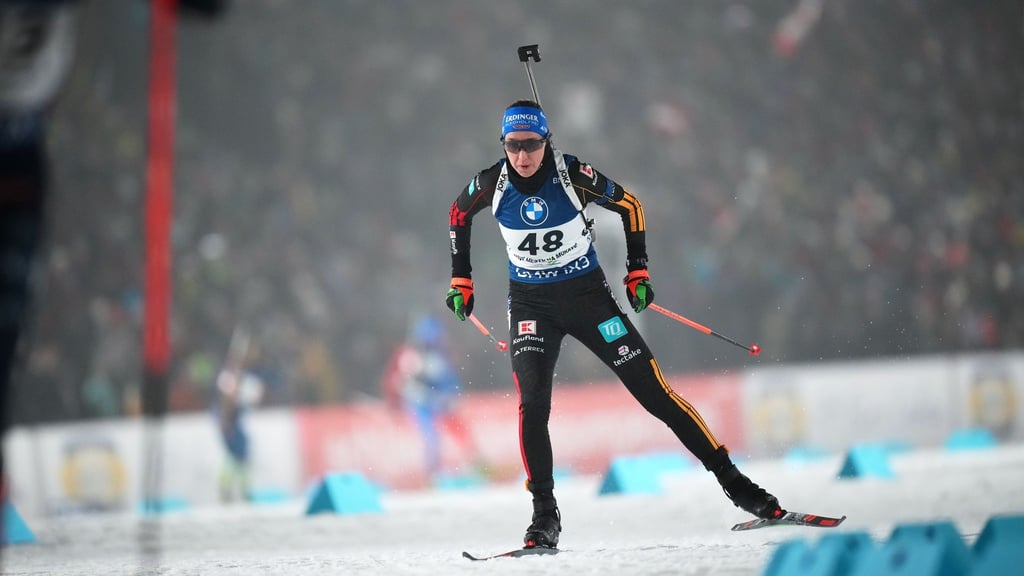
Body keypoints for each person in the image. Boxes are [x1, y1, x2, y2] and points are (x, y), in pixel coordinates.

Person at [445, 100, 784, 549]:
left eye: (531, 145)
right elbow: (457, 215)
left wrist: (637, 270)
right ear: (503, 145)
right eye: (513, 146)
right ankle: (545, 517)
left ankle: (738, 486)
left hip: (589, 301)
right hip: (532, 308)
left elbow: (630, 206)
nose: (522, 155)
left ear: (546, 142)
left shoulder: (571, 175)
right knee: (533, 407)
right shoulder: (493, 182)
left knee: (656, 395)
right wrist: (461, 278)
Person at [381, 314, 478, 484]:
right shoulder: (408, 355)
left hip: (439, 403)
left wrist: (451, 396)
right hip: (419, 405)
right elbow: (395, 381)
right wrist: (399, 392)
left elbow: (449, 381)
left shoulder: (440, 356)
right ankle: (433, 473)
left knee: (459, 431)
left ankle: (474, 463)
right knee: (432, 438)